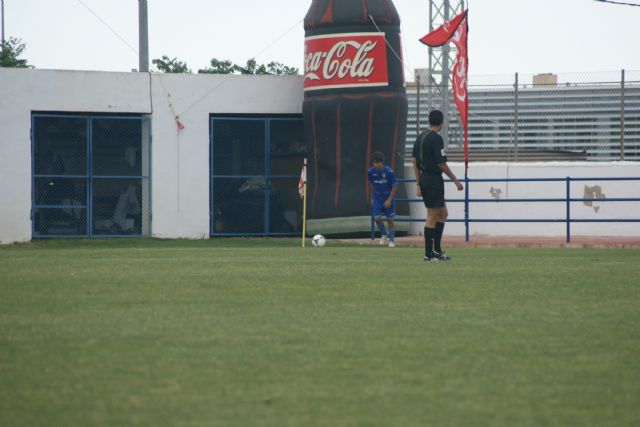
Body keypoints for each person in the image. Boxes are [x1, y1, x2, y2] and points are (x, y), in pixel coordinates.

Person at [412, 110, 464, 261]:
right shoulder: (436, 139)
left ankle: (437, 250)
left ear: (429, 121)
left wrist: (418, 183)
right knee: (432, 217)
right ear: (441, 123)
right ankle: (428, 254)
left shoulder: (420, 137)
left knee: (443, 214)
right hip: (433, 180)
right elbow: (441, 163)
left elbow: (414, 161)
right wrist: (455, 179)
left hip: (425, 179)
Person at [368, 151, 398, 248]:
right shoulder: (370, 172)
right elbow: (370, 184)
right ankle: (384, 234)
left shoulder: (389, 172)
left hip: (388, 198)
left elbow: (394, 186)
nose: (376, 164)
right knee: (376, 218)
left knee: (390, 219)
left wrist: (389, 200)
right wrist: (372, 197)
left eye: (378, 162)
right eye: (375, 162)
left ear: (382, 162)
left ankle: (392, 240)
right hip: (377, 198)